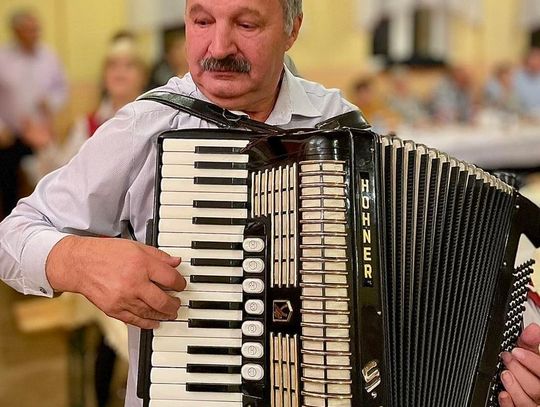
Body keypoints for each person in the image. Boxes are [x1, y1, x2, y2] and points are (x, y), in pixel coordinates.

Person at [0, 2, 537, 406]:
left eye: (247, 23)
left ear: (292, 28)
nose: (218, 46)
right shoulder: (148, 125)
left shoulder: (341, 129)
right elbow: (15, 233)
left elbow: (418, 279)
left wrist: (512, 366)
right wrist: (75, 259)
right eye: (201, 20)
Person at [24, 32, 149, 184]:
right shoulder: (86, 125)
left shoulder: (154, 120)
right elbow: (65, 174)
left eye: (129, 65)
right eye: (112, 65)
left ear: (143, 76)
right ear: (104, 76)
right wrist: (46, 146)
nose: (119, 72)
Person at [0, 9, 68, 219]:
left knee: (43, 183)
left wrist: (52, 102)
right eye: (28, 30)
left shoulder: (49, 56)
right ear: (16, 31)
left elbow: (61, 88)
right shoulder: (3, 58)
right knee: (9, 184)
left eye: (36, 29)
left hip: (41, 134)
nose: (33, 34)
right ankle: (11, 225)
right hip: (10, 135)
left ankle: (40, 222)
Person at [514, 47, 540, 119]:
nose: (536, 63)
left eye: (538, 60)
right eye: (533, 59)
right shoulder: (515, 76)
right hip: (520, 116)